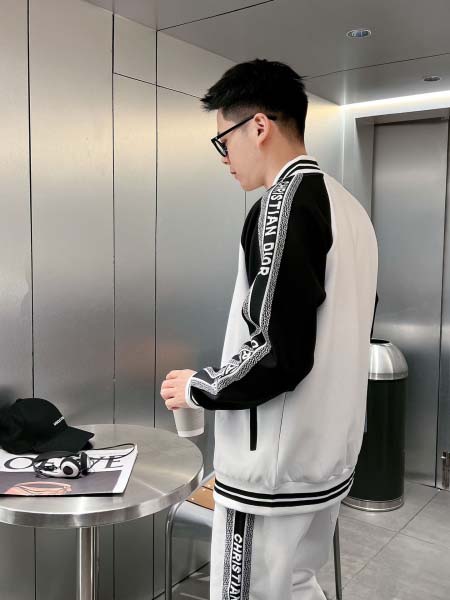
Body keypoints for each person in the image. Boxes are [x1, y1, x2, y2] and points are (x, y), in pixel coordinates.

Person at [161, 59, 378, 600]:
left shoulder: (282, 203)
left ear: (258, 126)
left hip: (271, 472)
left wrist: (198, 386)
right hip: (327, 458)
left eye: (224, 142)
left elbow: (279, 351)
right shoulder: (350, 209)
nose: (224, 158)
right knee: (299, 584)